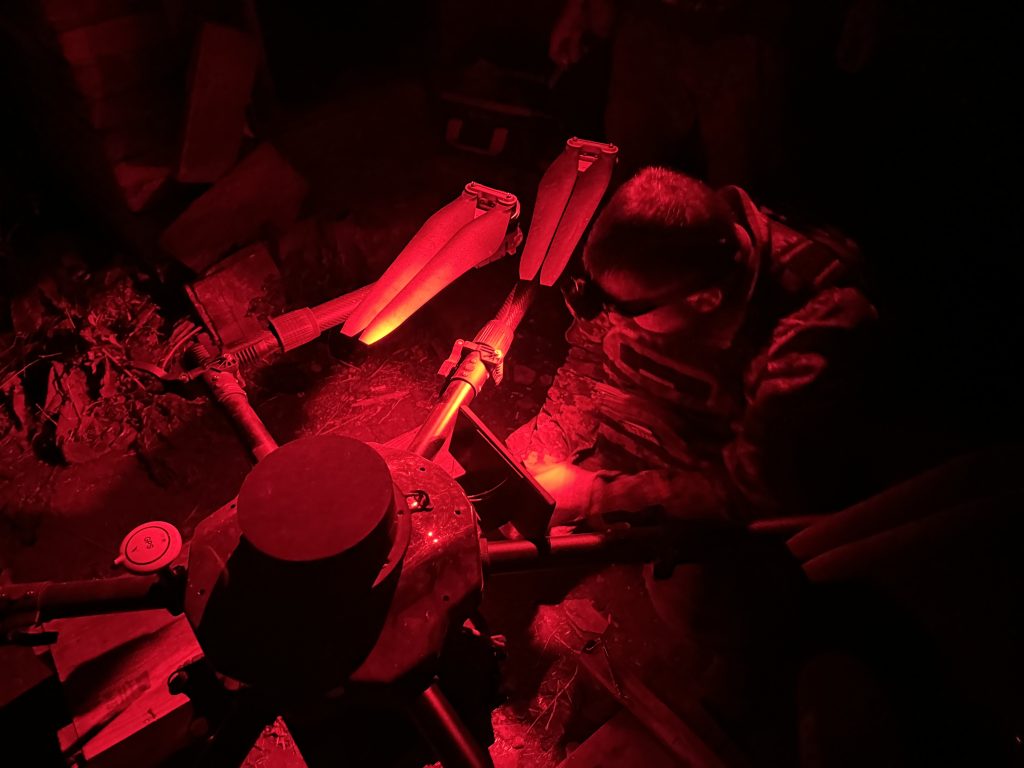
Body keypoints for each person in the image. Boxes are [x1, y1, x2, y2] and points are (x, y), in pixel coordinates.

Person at [507, 166, 877, 529]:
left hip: (725, 506)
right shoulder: (650, 254)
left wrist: (597, 496)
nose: (607, 318)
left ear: (703, 301)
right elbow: (590, 359)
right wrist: (545, 449)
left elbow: (757, 491)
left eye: (624, 309)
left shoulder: (814, 328)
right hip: (634, 458)